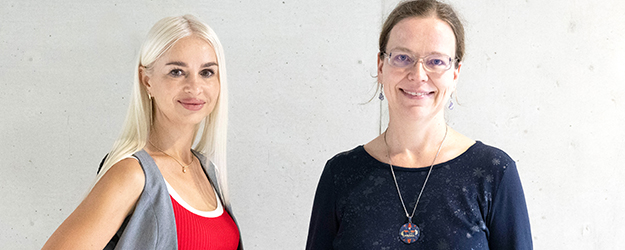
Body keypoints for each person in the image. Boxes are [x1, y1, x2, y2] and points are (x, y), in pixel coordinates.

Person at [306, 0, 532, 249]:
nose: (418, 74)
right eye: (403, 57)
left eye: (436, 61)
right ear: (381, 66)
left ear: (455, 73)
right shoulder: (341, 174)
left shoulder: (494, 173)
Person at [43, 15, 243, 250]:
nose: (194, 87)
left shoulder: (208, 172)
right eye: (177, 72)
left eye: (207, 72)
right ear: (147, 80)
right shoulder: (132, 174)